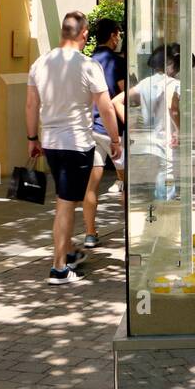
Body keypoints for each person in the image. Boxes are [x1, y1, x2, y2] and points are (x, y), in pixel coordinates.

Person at [26, 11, 120, 286]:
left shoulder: (40, 63)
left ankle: (67, 250)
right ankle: (59, 268)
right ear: (84, 35)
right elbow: (105, 106)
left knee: (67, 200)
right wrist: (115, 139)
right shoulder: (87, 65)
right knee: (66, 205)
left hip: (52, 143)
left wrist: (32, 138)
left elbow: (32, 105)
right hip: (77, 144)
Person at [82, 18, 126, 250]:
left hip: (90, 130)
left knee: (92, 185)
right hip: (111, 132)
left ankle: (90, 233)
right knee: (126, 182)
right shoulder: (116, 62)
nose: (119, 38)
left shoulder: (87, 62)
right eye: (118, 34)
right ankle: (132, 229)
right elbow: (122, 95)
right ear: (113, 35)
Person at [123, 45, 184, 203]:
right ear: (170, 64)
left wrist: (128, 124)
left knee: (162, 171)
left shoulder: (145, 83)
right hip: (167, 136)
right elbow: (173, 108)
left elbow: (117, 101)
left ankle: (161, 200)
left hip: (150, 136)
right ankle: (167, 203)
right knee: (168, 171)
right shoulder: (173, 83)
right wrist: (179, 130)